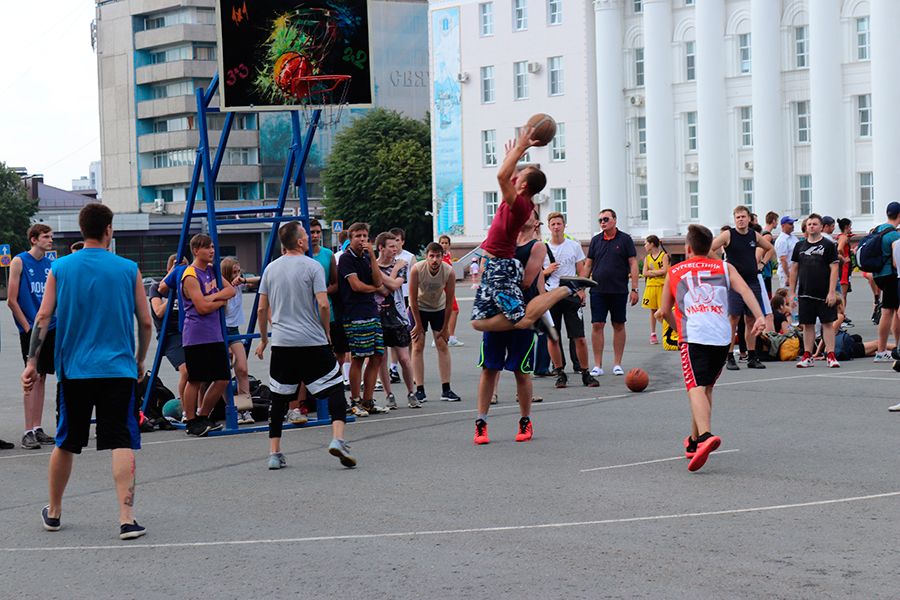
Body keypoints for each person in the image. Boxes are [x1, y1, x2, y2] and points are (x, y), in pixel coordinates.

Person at [23, 203, 152, 539]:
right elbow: (146, 321)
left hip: (75, 371)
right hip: (118, 369)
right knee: (121, 439)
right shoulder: (128, 268)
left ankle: (54, 511)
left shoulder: (61, 268)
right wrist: (139, 360)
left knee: (66, 441)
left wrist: (32, 363)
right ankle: (126, 517)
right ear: (108, 229)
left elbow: (43, 317)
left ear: (82, 230)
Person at [656, 224, 766, 472]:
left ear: (687, 248)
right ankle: (694, 440)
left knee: (694, 387)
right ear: (709, 247)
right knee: (706, 387)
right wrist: (759, 316)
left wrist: (677, 329)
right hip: (722, 338)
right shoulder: (724, 267)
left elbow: (663, 312)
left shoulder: (674, 271)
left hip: (694, 335)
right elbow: (746, 290)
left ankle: (705, 436)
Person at [471, 128, 596, 336]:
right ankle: (534, 316)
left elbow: (501, 177)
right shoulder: (518, 196)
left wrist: (521, 145)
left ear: (524, 185)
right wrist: (514, 155)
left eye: (521, 174)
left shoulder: (519, 205)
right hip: (494, 265)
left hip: (500, 266)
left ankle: (565, 289)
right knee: (478, 322)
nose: (517, 174)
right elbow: (508, 174)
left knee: (520, 320)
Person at [254, 221, 356, 470]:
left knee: (279, 398)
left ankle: (274, 453)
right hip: (311, 340)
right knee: (334, 388)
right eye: (305, 236)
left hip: (282, 343)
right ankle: (338, 438)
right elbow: (323, 304)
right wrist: (326, 331)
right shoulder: (312, 266)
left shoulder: (270, 269)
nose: (309, 239)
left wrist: (265, 338)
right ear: (299, 241)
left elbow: (261, 308)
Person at [474, 210, 545, 445]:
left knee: (520, 370)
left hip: (521, 313)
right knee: (489, 368)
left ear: (535, 221)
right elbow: (484, 271)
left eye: (529, 213)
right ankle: (481, 423)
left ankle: (525, 420)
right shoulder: (500, 240)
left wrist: (499, 274)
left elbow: (526, 281)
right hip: (496, 313)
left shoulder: (537, 247)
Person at [179, 233, 237, 436]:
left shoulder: (212, 270)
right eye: (207, 248)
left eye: (212, 247)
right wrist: (218, 301)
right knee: (196, 379)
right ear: (196, 250)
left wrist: (214, 298)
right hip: (196, 334)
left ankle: (203, 415)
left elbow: (231, 291)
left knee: (222, 378)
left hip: (215, 334)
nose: (211, 251)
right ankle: (191, 420)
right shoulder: (190, 275)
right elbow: (201, 307)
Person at [7, 223, 57, 449]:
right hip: (32, 329)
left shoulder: (51, 265)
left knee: (43, 376)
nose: (51, 240)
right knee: (31, 377)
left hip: (51, 327)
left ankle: (37, 427)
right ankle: (27, 431)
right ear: (34, 239)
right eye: (46, 236)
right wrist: (28, 327)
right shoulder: (19, 261)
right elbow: (12, 300)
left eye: (51, 236)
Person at [711, 205, 775, 370]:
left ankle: (752, 356)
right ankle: (730, 356)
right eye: (737, 217)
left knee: (751, 320)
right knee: (733, 319)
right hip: (734, 283)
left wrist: (761, 263)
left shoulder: (754, 235)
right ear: (734, 219)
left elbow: (770, 248)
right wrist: (721, 265)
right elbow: (710, 248)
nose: (740, 220)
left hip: (752, 281)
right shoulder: (728, 234)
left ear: (748, 218)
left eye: (743, 217)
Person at [338, 222, 389, 416]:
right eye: (358, 236)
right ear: (350, 238)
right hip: (354, 314)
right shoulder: (345, 259)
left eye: (365, 236)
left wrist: (374, 259)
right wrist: (375, 289)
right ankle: (355, 400)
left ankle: (368, 400)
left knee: (377, 356)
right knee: (358, 357)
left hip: (371, 312)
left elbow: (378, 280)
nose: (362, 239)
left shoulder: (368, 257)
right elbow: (356, 286)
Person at [582, 208, 639, 376]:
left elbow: (633, 264)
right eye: (600, 220)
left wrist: (635, 288)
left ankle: (617, 364)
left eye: (606, 219)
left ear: (614, 220)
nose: (602, 223)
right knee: (597, 324)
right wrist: (580, 288)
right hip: (598, 290)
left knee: (618, 324)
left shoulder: (625, 239)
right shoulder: (595, 240)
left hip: (619, 289)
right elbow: (588, 265)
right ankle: (597, 365)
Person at [545, 211, 598, 388]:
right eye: (553, 224)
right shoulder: (543, 248)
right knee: (553, 337)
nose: (556, 227)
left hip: (570, 294)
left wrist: (581, 289)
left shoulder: (573, 246)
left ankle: (585, 372)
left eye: (559, 223)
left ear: (564, 225)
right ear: (549, 227)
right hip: (551, 295)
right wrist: (547, 271)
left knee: (579, 336)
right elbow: (536, 274)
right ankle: (559, 372)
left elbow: (582, 269)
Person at [409, 242, 460, 402]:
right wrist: (417, 325)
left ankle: (446, 389)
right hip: (419, 308)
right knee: (418, 345)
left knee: (442, 345)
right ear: (426, 257)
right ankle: (419, 390)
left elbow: (450, 301)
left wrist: (445, 328)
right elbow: (412, 300)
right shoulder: (417, 269)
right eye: (432, 256)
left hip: (438, 307)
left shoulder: (449, 271)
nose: (435, 260)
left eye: (438, 256)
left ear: (443, 257)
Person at [789, 214, 840, 368]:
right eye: (809, 224)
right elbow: (794, 269)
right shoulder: (800, 246)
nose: (812, 226)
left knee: (827, 324)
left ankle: (830, 355)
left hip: (824, 293)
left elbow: (834, 268)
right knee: (808, 325)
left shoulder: (828, 245)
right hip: (805, 292)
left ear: (821, 226)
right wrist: (791, 292)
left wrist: (832, 292)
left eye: (815, 224)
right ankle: (807, 355)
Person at [373, 232, 418, 409]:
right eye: (391, 246)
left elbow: (393, 286)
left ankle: (411, 392)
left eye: (396, 245)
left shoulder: (402, 266)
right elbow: (383, 291)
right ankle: (388, 394)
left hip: (398, 316)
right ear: (381, 248)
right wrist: (390, 270)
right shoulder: (376, 266)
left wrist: (381, 273)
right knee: (381, 358)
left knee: (404, 358)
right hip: (378, 316)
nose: (395, 249)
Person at [220, 257, 259, 425]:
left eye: (238, 272)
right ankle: (232, 409)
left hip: (234, 329)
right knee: (223, 374)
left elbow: (263, 280)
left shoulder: (240, 284)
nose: (236, 275)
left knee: (242, 369)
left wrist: (243, 279)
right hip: (220, 330)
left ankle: (244, 409)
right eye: (233, 273)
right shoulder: (221, 287)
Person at [148, 255, 189, 405]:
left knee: (202, 373)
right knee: (187, 371)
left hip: (188, 332)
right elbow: (158, 311)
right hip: (170, 335)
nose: (180, 269)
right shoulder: (156, 288)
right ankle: (186, 410)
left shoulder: (188, 286)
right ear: (169, 268)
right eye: (176, 266)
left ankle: (199, 407)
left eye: (184, 266)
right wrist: (173, 290)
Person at [871, 202, 900, 361]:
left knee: (890, 310)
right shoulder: (895, 235)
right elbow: (896, 261)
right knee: (890, 312)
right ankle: (883, 350)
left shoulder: (878, 229)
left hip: (878, 274)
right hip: (891, 275)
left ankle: (887, 349)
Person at [388, 227, 417, 383]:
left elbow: (415, 280)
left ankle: (411, 368)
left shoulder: (409, 257)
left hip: (407, 297)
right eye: (392, 241)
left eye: (397, 241)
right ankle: (393, 367)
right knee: (394, 336)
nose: (395, 244)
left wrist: (413, 302)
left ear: (403, 241)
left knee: (409, 337)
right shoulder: (388, 258)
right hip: (393, 298)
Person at [641, 235, 669, 345]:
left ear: (652, 244)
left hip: (662, 286)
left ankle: (668, 330)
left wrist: (652, 272)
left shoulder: (664, 256)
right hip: (651, 286)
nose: (644, 246)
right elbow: (644, 273)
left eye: (646, 243)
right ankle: (653, 334)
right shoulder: (647, 258)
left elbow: (665, 271)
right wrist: (658, 272)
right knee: (652, 310)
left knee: (663, 310)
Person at [438, 234, 464, 347]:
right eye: (442, 243)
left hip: (448, 287)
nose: (444, 245)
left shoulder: (448, 255)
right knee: (451, 311)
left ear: (449, 245)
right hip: (443, 288)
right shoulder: (439, 257)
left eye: (446, 243)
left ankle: (447, 336)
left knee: (452, 311)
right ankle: (446, 337)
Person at [775, 216, 799, 290]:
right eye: (790, 224)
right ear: (783, 226)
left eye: (792, 223)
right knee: (788, 296)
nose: (792, 225)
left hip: (795, 271)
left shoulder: (793, 237)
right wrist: (788, 276)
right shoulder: (782, 240)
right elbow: (783, 259)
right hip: (786, 272)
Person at [760, 211, 779, 297]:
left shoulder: (763, 232)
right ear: (774, 221)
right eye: (777, 221)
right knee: (767, 296)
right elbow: (762, 251)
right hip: (765, 270)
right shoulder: (767, 235)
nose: (777, 223)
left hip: (766, 269)